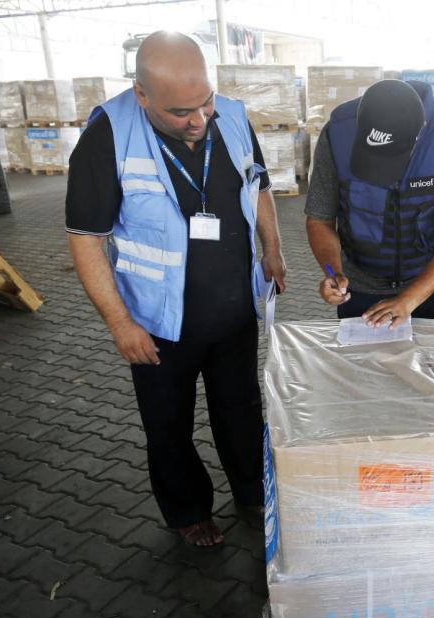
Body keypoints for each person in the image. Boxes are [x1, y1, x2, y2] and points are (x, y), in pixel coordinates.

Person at [64, 31, 286, 548]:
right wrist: (120, 323)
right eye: (182, 111)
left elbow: (260, 187)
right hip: (158, 324)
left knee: (241, 410)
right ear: (141, 94)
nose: (199, 120)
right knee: (168, 426)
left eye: (204, 102)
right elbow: (84, 239)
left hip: (233, 311)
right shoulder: (107, 135)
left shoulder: (229, 114)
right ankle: (188, 511)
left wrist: (272, 248)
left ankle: (252, 494)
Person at [306, 78, 434, 328]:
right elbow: (319, 220)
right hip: (359, 286)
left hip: (433, 287)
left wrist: (409, 299)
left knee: (431, 365)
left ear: (420, 134)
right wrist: (333, 273)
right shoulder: (338, 133)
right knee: (362, 365)